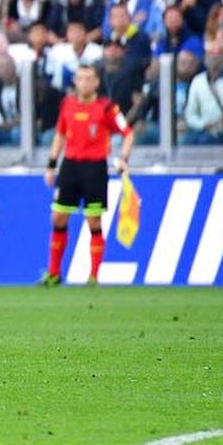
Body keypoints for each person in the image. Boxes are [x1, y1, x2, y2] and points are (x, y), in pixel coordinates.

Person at [41, 64, 134, 287]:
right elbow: (60, 135)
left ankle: (93, 275)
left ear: (96, 83)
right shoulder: (68, 104)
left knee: (93, 220)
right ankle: (54, 273)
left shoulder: (107, 108)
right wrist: (51, 165)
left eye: (88, 78)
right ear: (75, 81)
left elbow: (128, 133)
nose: (84, 83)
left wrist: (123, 158)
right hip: (70, 166)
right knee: (58, 217)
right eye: (80, 78)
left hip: (95, 168)